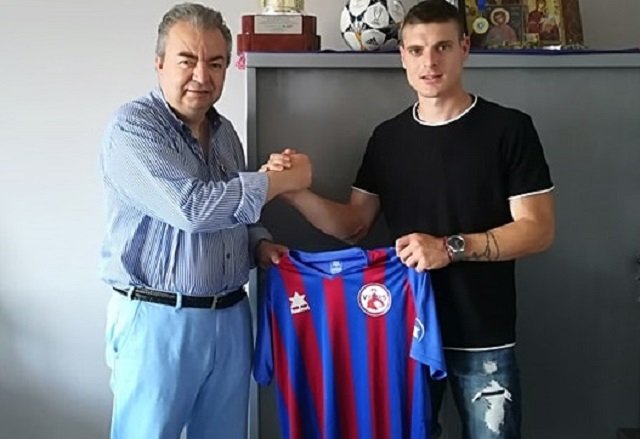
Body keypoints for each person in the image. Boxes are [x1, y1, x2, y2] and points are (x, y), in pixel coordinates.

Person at [264, 0, 555, 437]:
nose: (429, 62)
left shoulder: (509, 129)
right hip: (403, 330)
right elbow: (353, 225)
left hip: (483, 333)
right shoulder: (388, 138)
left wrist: (449, 248)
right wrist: (292, 191)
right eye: (417, 50)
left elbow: (538, 230)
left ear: (464, 48)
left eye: (442, 47)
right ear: (402, 55)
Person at [99, 3, 311, 438]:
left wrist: (260, 244)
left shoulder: (226, 133)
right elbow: (192, 209)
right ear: (159, 63)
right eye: (187, 60)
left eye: (215, 63)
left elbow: (233, 216)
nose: (201, 75)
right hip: (157, 319)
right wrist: (278, 182)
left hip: (231, 316)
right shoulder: (132, 128)